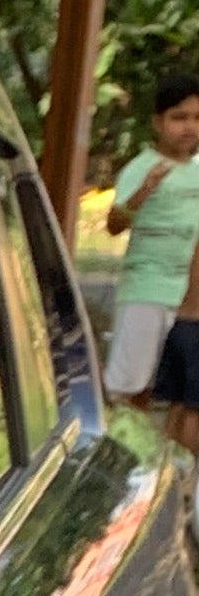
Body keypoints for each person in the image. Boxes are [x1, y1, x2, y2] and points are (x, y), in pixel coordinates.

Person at [105, 69, 199, 416]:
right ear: (158, 122)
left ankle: (174, 465)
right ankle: (130, 457)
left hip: (189, 299)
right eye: (179, 118)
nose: (189, 127)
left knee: (182, 389)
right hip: (147, 291)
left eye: (196, 118)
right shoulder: (141, 168)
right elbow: (114, 225)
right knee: (132, 387)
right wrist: (144, 192)